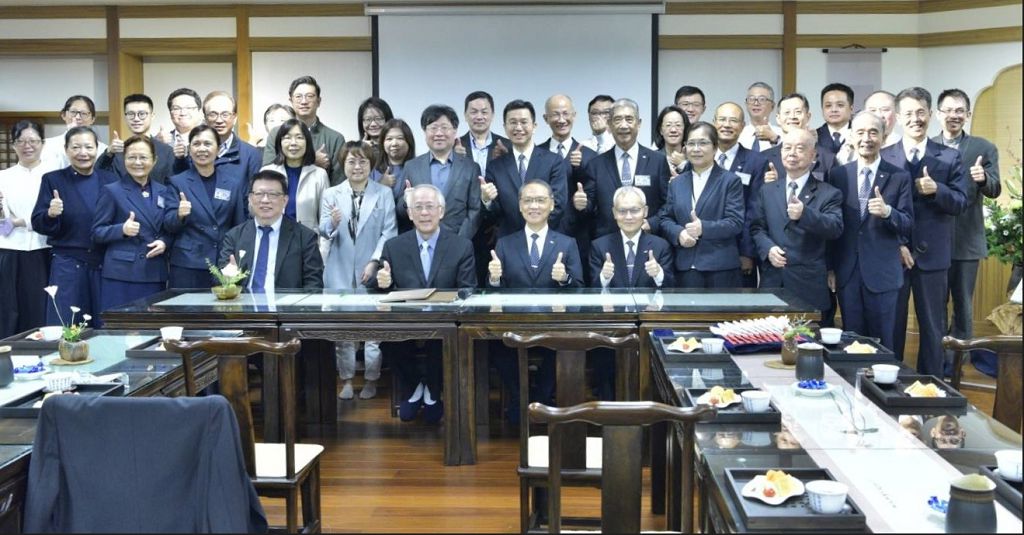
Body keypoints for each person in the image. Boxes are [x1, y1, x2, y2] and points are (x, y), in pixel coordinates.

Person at [371, 185, 477, 423]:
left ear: (441, 211)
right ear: (409, 213)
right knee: (388, 341)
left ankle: (432, 392)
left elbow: (468, 288)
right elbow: (383, 286)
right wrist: (384, 282)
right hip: (406, 322)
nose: (424, 213)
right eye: (418, 207)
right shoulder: (393, 246)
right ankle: (415, 387)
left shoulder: (461, 246)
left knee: (444, 340)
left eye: (430, 207)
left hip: (445, 321)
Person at [882, 87, 968, 376]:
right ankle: (888, 383)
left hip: (933, 256)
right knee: (891, 325)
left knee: (933, 327)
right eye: (908, 113)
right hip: (894, 254)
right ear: (897, 117)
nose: (915, 119)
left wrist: (937, 190)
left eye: (921, 112)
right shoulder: (885, 156)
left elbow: (960, 202)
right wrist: (898, 243)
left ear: (930, 115)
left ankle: (932, 383)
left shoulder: (949, 157)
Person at [487, 180, 583, 422]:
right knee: (497, 348)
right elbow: (493, 292)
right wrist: (494, 278)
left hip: (553, 324)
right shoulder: (505, 243)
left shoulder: (567, 243)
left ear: (551, 205)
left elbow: (579, 288)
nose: (534, 206)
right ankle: (520, 400)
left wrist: (564, 279)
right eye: (528, 201)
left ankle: (541, 400)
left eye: (540, 200)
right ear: (520, 206)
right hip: (514, 325)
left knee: (562, 348)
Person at [827, 111, 913, 354]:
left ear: (884, 138)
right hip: (848, 272)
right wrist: (830, 267)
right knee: (851, 342)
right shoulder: (838, 175)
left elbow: (908, 223)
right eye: (860, 132)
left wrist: (888, 213)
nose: (866, 138)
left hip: (883, 274)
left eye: (873, 132)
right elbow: (833, 226)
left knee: (883, 342)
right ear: (851, 137)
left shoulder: (899, 176)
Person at [320, 141, 397, 400]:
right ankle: (346, 380)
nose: (357, 166)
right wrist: (332, 224)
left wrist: (374, 261)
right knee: (343, 331)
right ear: (343, 165)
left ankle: (372, 380)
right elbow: (323, 231)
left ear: (371, 165)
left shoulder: (383, 193)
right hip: (339, 269)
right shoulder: (331, 193)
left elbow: (389, 232)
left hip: (371, 270)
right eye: (351, 161)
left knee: (373, 331)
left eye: (363, 161)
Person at [933, 88, 1001, 374]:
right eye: (948, 110)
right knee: (935, 305)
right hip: (933, 241)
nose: (954, 115)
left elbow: (995, 189)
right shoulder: (928, 146)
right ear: (938, 114)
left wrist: (983, 178)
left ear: (968, 114)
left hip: (966, 240)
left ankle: (957, 364)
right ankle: (935, 358)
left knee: (962, 304)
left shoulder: (983, 147)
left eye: (959, 110)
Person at [749, 128, 843, 314]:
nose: (792, 153)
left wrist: (805, 214)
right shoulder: (767, 190)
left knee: (808, 333)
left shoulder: (829, 193)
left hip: (808, 285)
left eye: (800, 148)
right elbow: (757, 228)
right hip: (772, 281)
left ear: (813, 155)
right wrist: (768, 248)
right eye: (787, 148)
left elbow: (835, 227)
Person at [31, 126, 118, 326]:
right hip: (67, 263)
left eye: (88, 147)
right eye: (76, 147)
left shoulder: (111, 180)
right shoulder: (53, 179)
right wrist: (50, 214)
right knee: (66, 323)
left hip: (103, 263)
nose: (83, 153)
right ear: (66, 150)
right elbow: (37, 222)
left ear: (97, 149)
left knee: (104, 323)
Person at [655, 121, 744, 288]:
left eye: (703, 143)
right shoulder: (677, 183)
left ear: (715, 147)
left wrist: (703, 228)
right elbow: (665, 218)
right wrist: (679, 233)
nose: (696, 149)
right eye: (691, 143)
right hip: (685, 267)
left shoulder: (730, 181)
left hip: (720, 268)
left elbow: (735, 222)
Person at [161, 125, 249, 288]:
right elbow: (168, 224)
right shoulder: (177, 182)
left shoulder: (232, 184)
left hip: (222, 262)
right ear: (189, 149)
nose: (202, 149)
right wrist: (179, 215)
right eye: (196, 144)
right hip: (188, 263)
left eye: (208, 144)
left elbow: (239, 226)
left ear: (218, 149)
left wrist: (236, 257)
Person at [91, 136, 171, 311]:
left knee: (151, 324)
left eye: (143, 157)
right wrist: (122, 229)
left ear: (154, 160)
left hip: (154, 271)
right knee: (121, 324)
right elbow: (97, 232)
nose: (137, 162)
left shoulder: (163, 191)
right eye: (131, 157)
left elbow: (169, 228)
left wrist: (164, 242)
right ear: (123, 159)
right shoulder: (112, 191)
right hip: (122, 273)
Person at [218, 170, 324, 291]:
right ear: (250, 199)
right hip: (244, 301)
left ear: (285, 200)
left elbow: (314, 285)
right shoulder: (234, 236)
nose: (265, 200)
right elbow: (219, 279)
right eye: (259, 194)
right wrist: (228, 278)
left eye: (273, 194)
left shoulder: (305, 237)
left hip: (287, 302)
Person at [581, 98, 671, 239]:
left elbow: (668, 203)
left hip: (647, 240)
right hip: (607, 242)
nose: (623, 125)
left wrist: (652, 223)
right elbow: (590, 207)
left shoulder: (657, 161)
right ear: (609, 125)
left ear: (639, 123)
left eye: (629, 119)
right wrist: (582, 204)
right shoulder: (596, 164)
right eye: (617, 120)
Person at [481, 99, 567, 238]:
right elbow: (495, 212)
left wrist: (532, 232)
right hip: (508, 241)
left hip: (545, 239)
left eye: (524, 122)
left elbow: (558, 204)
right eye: (513, 122)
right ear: (505, 127)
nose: (518, 128)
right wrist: (487, 200)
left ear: (534, 126)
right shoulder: (495, 166)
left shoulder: (553, 161)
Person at [0, 120, 55, 338]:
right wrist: (10, 222)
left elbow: (56, 216)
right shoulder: (4, 176)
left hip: (44, 248)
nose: (27, 146)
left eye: (33, 140)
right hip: (10, 249)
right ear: (13, 144)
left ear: (42, 143)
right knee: (9, 308)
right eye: (21, 141)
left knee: (40, 308)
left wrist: (21, 222)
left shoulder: (53, 175)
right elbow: (4, 222)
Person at [538, 94, 599, 277]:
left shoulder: (590, 156)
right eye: (555, 114)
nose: (561, 119)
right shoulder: (536, 154)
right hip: (542, 236)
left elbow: (595, 201)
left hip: (578, 238)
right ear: (545, 118)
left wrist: (584, 204)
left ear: (574, 115)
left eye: (566, 113)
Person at [399, 105, 481, 239]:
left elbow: (475, 210)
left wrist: (460, 241)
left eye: (444, 127)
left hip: (457, 241)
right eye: (433, 128)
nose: (439, 133)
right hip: (421, 241)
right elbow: (400, 211)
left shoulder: (470, 168)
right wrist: (406, 200)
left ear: (454, 131)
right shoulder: (412, 166)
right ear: (425, 131)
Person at [713, 102, 769, 287]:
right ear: (714, 123)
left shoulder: (756, 161)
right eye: (722, 119)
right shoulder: (700, 157)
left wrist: (747, 252)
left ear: (743, 126)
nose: (727, 125)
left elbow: (755, 210)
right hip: (705, 249)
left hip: (738, 250)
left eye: (733, 120)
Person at [262, 76, 346, 185]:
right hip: (282, 194)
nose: (304, 101)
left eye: (309, 96)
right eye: (298, 97)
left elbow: (339, 184)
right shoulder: (276, 133)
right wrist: (311, 161)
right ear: (291, 101)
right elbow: (268, 173)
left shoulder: (335, 138)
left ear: (318, 101)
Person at [589, 186, 673, 289]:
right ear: (614, 213)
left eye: (634, 210)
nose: (628, 217)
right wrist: (604, 277)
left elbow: (672, 288)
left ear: (645, 211)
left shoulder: (661, 246)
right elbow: (591, 289)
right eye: (622, 211)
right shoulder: (599, 247)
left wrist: (658, 274)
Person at [259, 119, 328, 239]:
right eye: (287, 138)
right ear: (280, 142)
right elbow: (256, 211)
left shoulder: (319, 175)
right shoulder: (267, 173)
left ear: (307, 142)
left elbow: (325, 218)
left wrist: (322, 248)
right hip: (273, 240)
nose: (293, 143)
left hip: (307, 242)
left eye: (299, 137)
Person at [97, 94, 176, 184]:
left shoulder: (166, 151)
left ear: (152, 116)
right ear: (125, 117)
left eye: (142, 114)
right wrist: (108, 153)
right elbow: (98, 176)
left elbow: (173, 185)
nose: (136, 119)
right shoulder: (117, 152)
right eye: (131, 114)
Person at [760, 93, 836, 185]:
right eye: (787, 112)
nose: (792, 117)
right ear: (778, 118)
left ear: (808, 116)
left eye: (798, 112)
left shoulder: (827, 158)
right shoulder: (764, 158)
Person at [203, 91, 262, 183]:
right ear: (205, 119)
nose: (219, 120)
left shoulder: (251, 155)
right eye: (213, 114)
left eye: (225, 114)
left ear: (234, 118)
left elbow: (256, 190)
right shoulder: (195, 153)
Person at [40, 96, 109, 170]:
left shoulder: (103, 150)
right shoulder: (46, 145)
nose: (78, 117)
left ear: (93, 119)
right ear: (63, 115)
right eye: (73, 112)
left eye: (84, 113)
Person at [458, 91, 511, 177]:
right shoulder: (453, 147)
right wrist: (453, 159)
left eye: (484, 112)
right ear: (465, 116)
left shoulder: (507, 146)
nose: (479, 117)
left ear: (492, 115)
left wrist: (507, 159)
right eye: (474, 112)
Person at [371, 118, 416, 201]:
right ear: (382, 143)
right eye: (389, 139)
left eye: (400, 138)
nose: (394, 143)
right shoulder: (373, 169)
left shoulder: (417, 169)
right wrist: (380, 185)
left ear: (409, 142)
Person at [739, 81, 782, 152]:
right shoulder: (738, 135)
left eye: (762, 99)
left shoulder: (781, 135)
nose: (756, 103)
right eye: (751, 99)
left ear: (772, 106)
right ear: (746, 104)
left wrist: (775, 140)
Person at [815, 83, 854, 161]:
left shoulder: (860, 135)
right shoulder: (814, 137)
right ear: (822, 109)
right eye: (828, 106)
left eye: (840, 105)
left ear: (851, 109)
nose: (834, 110)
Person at [652, 105, 689, 177]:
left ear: (685, 129)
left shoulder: (693, 157)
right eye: (668, 125)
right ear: (661, 130)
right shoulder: (652, 158)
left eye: (678, 125)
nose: (673, 130)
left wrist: (682, 164)